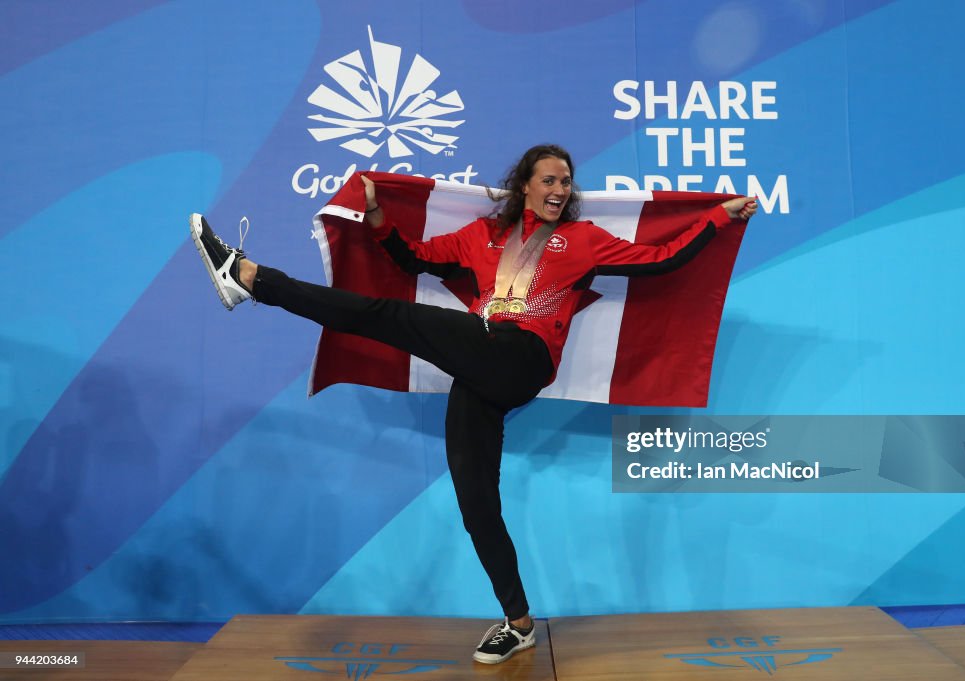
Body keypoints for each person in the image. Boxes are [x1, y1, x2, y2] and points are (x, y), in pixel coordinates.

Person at [189, 144, 756, 664]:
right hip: (480, 365)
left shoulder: (583, 240)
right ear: (525, 186)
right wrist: (382, 221)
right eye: (550, 179)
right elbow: (412, 261)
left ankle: (250, 277)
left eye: (567, 181)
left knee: (391, 318)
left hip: (522, 358)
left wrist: (717, 217)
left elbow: (661, 259)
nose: (561, 188)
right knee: (475, 500)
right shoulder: (480, 236)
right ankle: (518, 621)